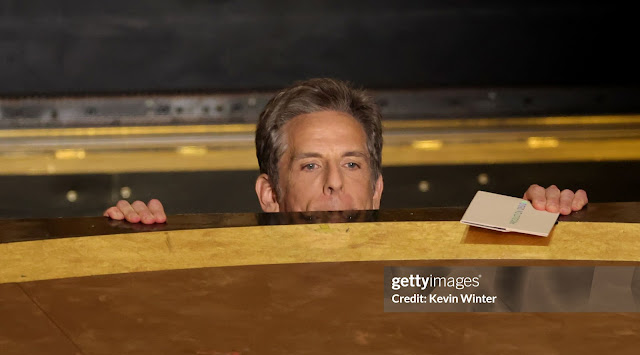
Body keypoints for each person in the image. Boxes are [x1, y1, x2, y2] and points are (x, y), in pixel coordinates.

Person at [103, 78, 588, 224]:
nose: (334, 183)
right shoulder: (226, 278)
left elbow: (587, 298)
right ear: (270, 194)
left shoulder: (414, 282)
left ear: (376, 189)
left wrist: (545, 229)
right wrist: (130, 252)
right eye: (310, 165)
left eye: (351, 164)